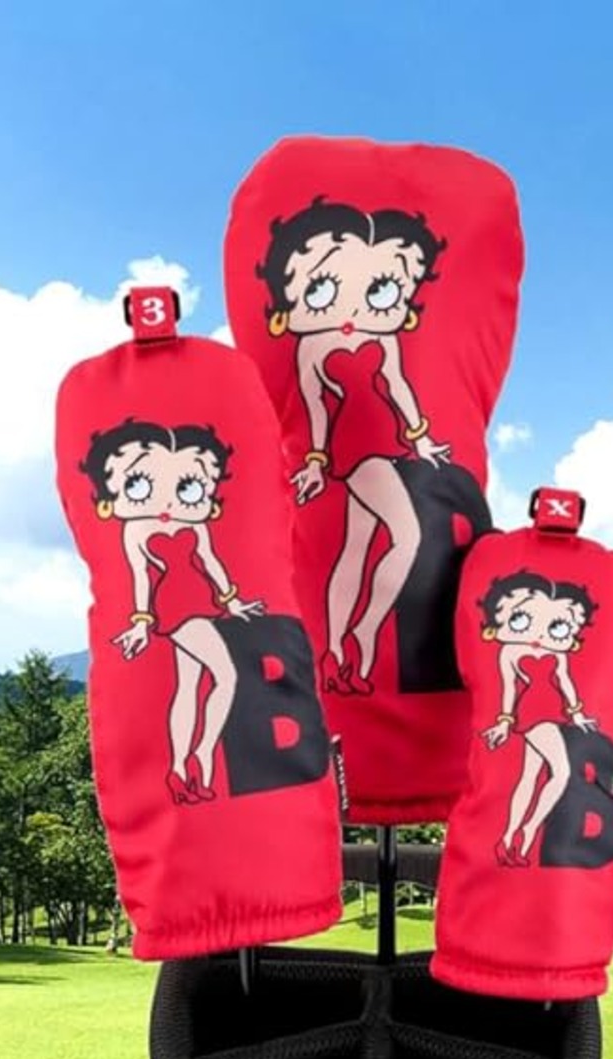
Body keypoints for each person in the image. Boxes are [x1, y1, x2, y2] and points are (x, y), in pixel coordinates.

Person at [257, 197, 450, 694]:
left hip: (386, 443)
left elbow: (397, 385)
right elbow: (315, 407)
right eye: (323, 286)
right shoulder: (312, 344)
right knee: (407, 536)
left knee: (356, 548)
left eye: (380, 288)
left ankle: (335, 650)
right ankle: (364, 631)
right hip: (356, 449)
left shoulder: (382, 338)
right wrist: (316, 460)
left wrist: (420, 436)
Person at [80, 419, 263, 803]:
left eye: (186, 486)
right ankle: (203, 751)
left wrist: (231, 600)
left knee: (189, 686)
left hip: (201, 603)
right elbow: (140, 577)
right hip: (176, 608)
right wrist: (141, 622)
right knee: (227, 675)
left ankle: (179, 769)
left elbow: (210, 561)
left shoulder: (193, 524)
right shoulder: (135, 529)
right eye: (139, 484)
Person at [478, 571, 600, 866]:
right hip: (533, 714)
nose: (540, 634)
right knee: (562, 772)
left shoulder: (557, 654)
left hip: (552, 713)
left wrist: (576, 713)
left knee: (529, 777)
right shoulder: (509, 651)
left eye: (557, 626)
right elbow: (509, 687)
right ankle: (529, 829)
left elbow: (565, 681)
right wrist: (505, 721)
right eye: (521, 620)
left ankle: (509, 839)